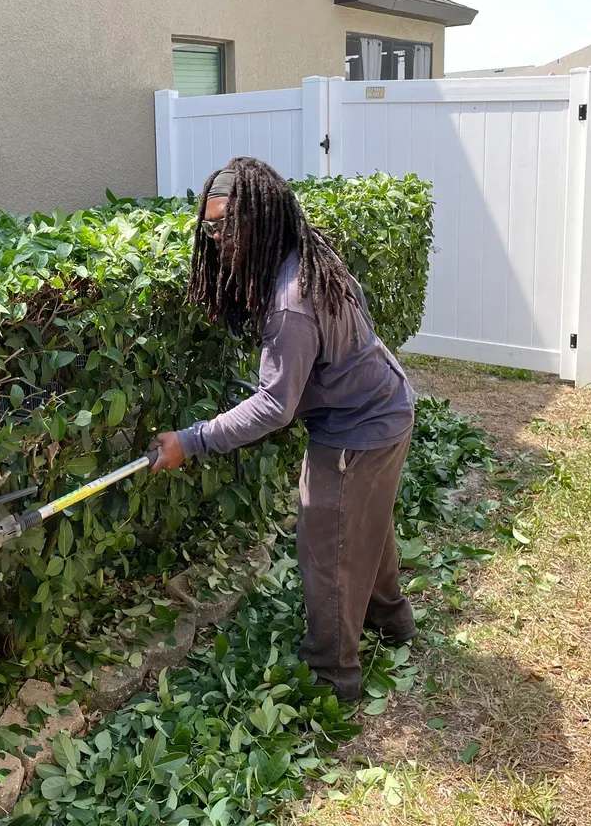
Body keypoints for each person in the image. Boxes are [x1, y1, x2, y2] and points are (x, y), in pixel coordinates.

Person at [149, 156, 417, 701]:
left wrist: (191, 440)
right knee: (362, 524)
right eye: (208, 226)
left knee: (328, 547)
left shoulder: (291, 300)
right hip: (385, 405)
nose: (216, 238)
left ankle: (331, 678)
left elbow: (274, 406)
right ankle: (392, 621)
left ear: (259, 219)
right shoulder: (305, 252)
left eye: (225, 226)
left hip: (357, 428)